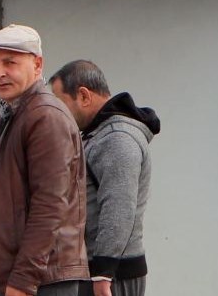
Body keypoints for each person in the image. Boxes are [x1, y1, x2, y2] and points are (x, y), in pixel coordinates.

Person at [0, 24, 89, 296]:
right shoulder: (16, 116)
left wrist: (23, 279)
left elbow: (50, 206)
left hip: (41, 282)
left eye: (10, 62)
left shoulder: (45, 117)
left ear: (37, 64)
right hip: (22, 278)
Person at [49, 61, 159, 296]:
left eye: (60, 104)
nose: (58, 114)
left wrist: (103, 273)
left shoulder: (116, 138)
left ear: (83, 96)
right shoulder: (97, 134)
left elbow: (118, 206)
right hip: (101, 271)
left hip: (112, 275)